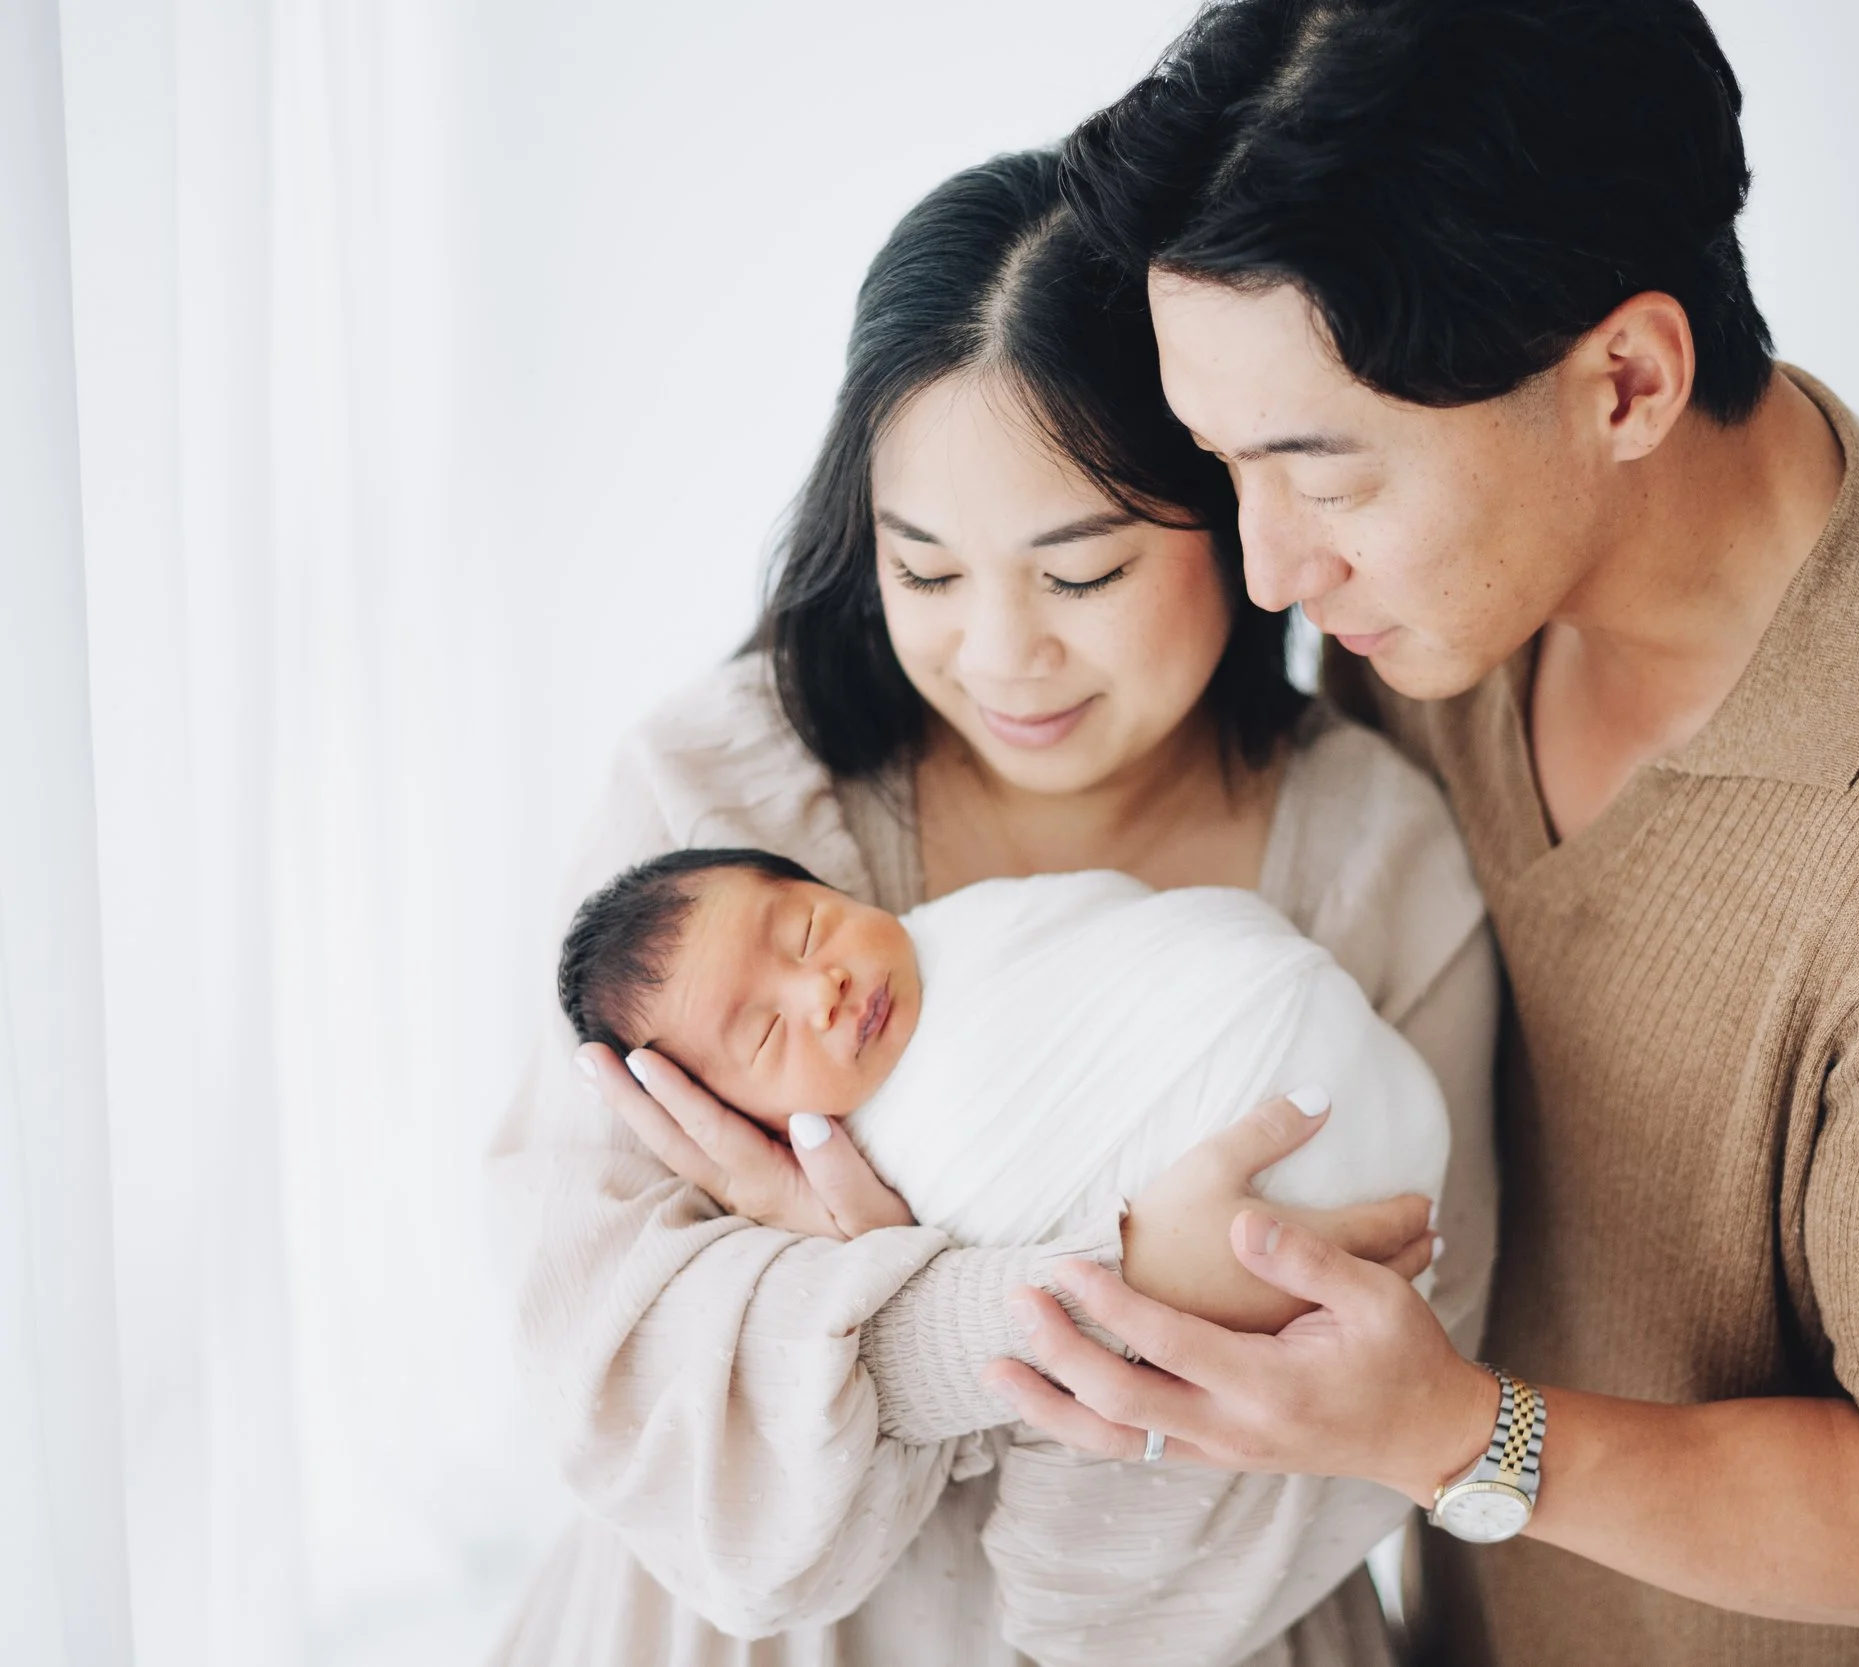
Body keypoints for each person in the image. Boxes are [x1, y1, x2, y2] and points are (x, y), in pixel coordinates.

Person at [984, 4, 1859, 1665]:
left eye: (1329, 477)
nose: (1273, 569)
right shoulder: (1436, 620)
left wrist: (1446, 1431)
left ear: (1627, 382)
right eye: (1230, 464)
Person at [484, 147, 1500, 1667]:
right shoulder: (715, 808)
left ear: (1230, 516)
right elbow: (602, 1341)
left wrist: (845, 1287)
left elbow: (1367, 1410)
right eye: (926, 569)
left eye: (1079, 572)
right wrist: (1054, 1314)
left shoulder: (1371, 857)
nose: (1001, 652)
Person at [552, 847, 1448, 1334]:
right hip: (1272, 1231)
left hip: (1309, 1035)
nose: (819, 988)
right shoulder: (874, 1172)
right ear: (747, 1126)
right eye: (766, 1033)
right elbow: (995, 1268)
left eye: (808, 927)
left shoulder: (979, 922)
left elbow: (1118, 913)